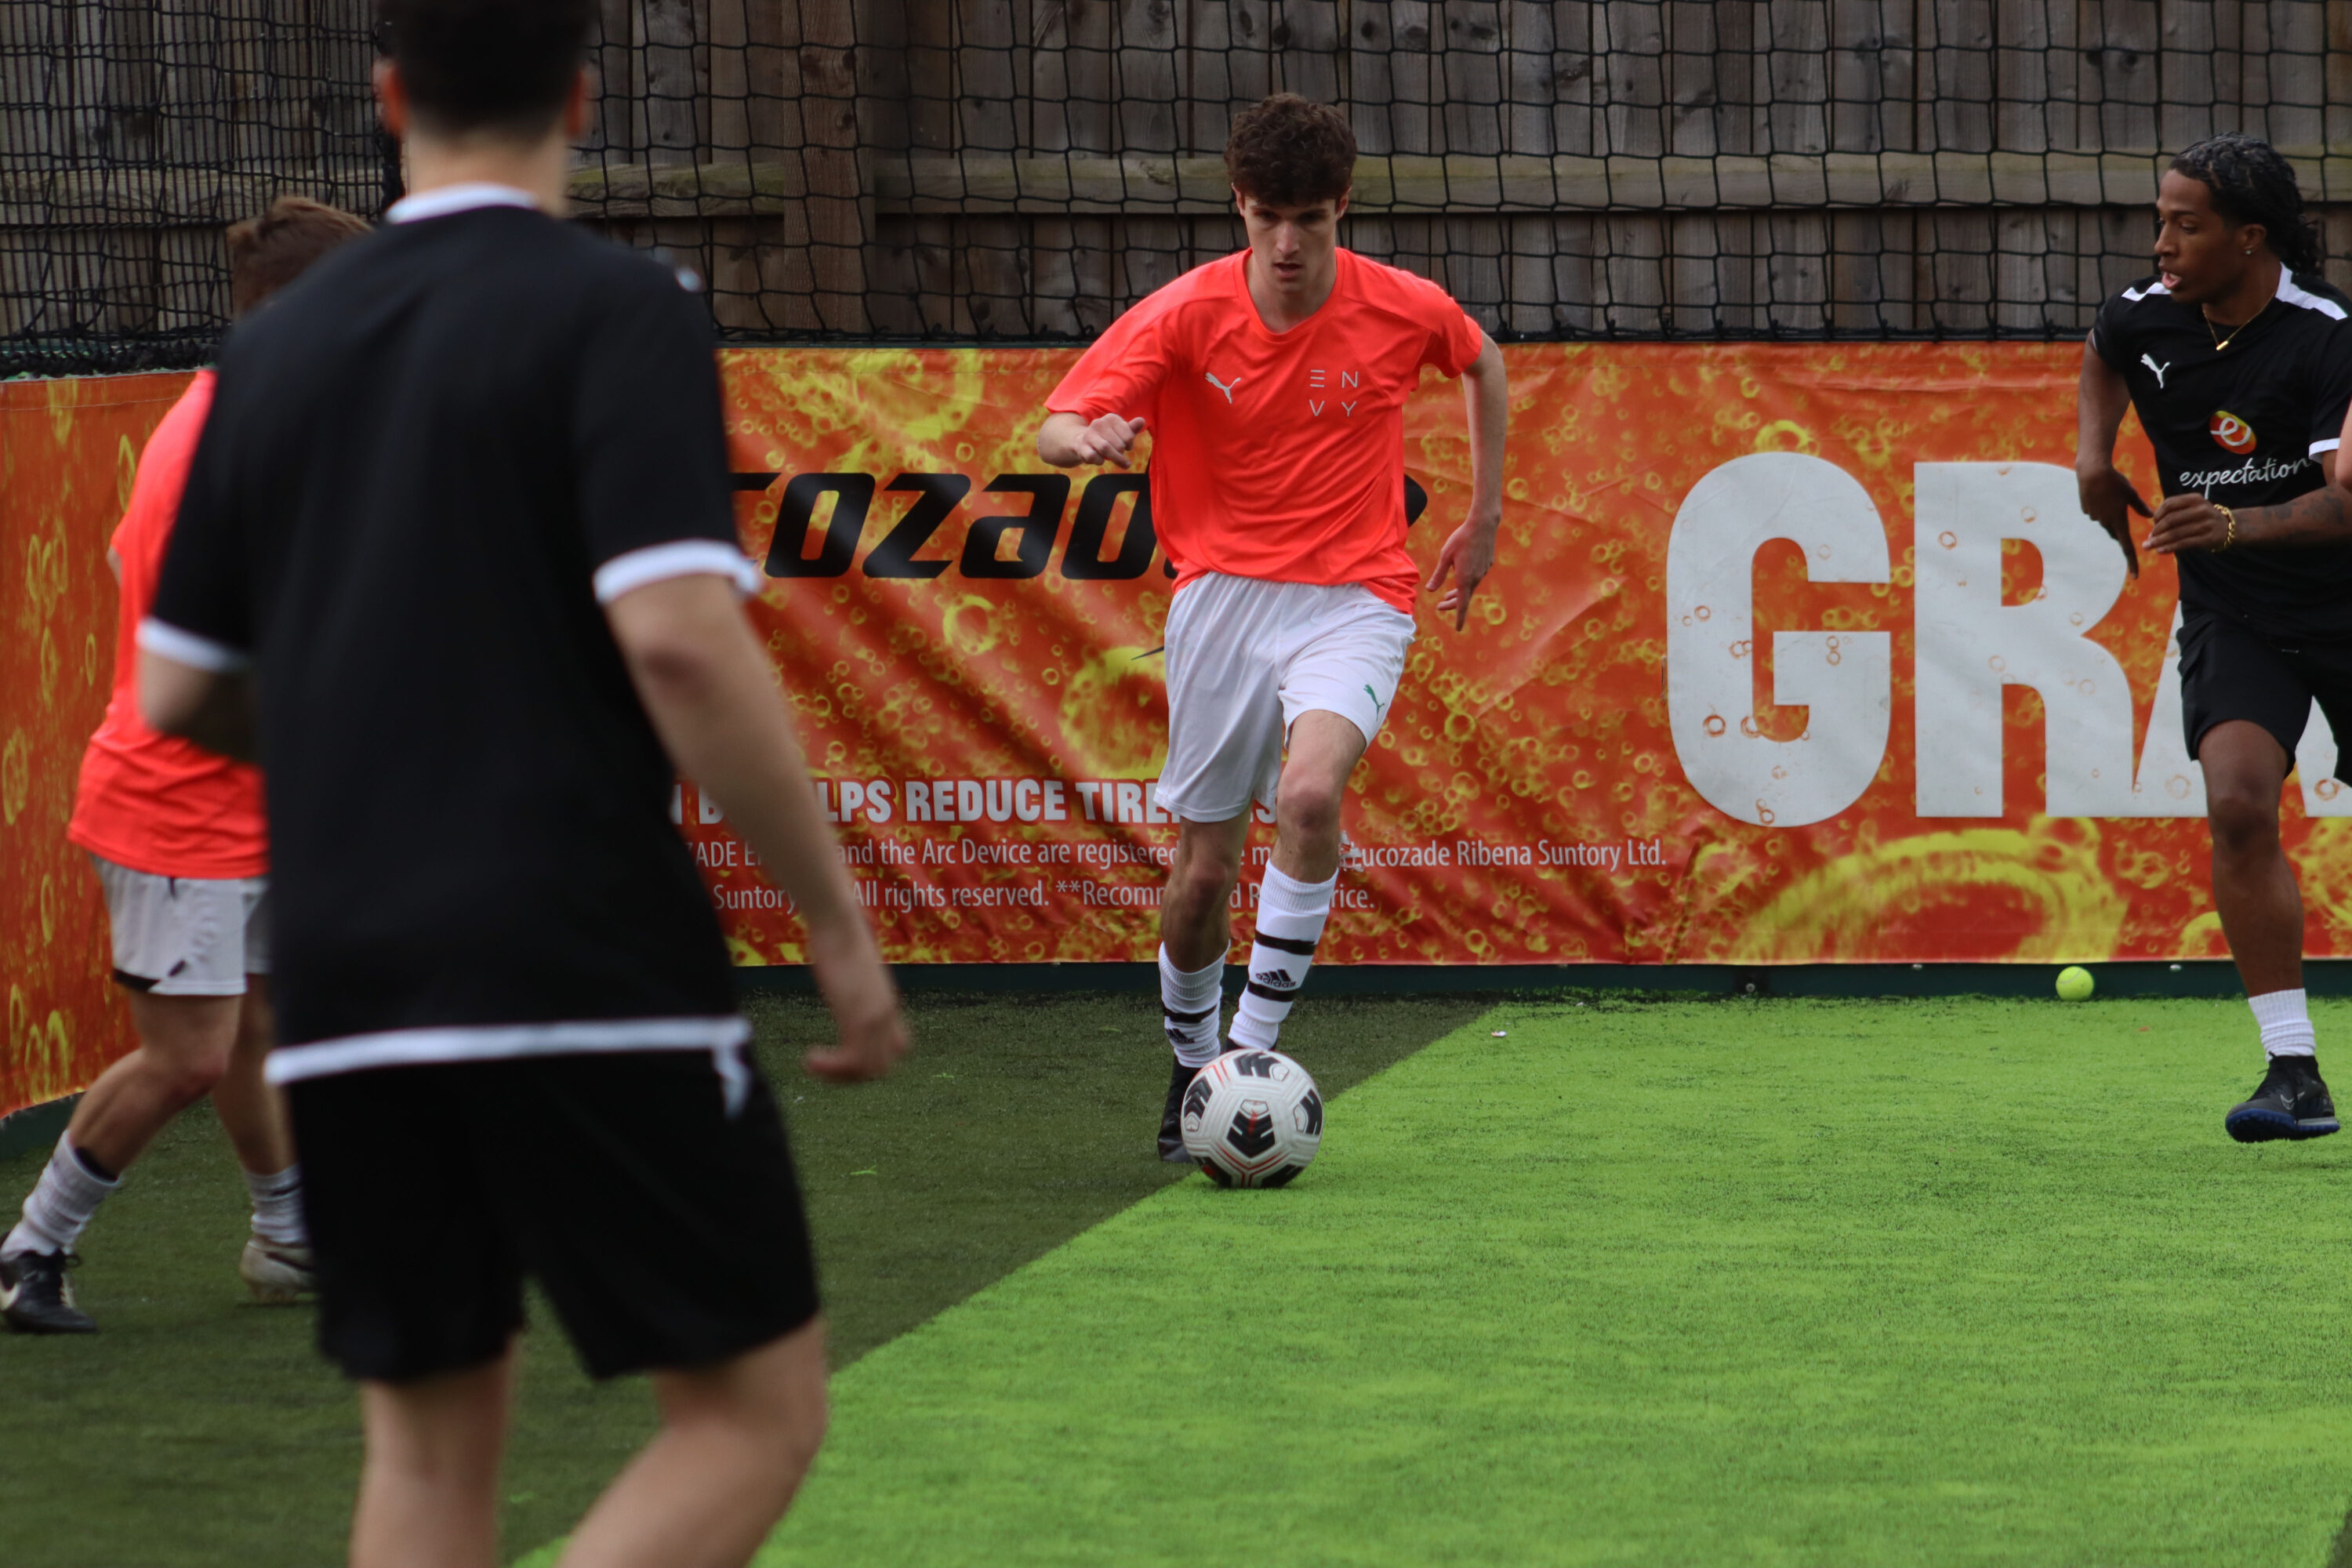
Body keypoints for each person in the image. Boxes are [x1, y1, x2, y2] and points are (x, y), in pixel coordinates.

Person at [134, 0, 909, 1562]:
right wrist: (834, 924)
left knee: (425, 1461)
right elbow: (681, 642)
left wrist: (381, 734)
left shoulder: (270, 350)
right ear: (581, 97)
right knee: (751, 1416)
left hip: (351, 971)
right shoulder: (619, 308)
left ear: (388, 96)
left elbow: (179, 688)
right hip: (578, 945)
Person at [1036, 93, 1508, 1161]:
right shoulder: (1184, 314)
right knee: (1203, 874)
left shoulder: (1402, 306)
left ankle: (1247, 1060)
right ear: (1239, 206)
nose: (1287, 244)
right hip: (1221, 600)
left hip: (1357, 598)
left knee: (1307, 795)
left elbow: (1482, 360)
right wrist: (1087, 440)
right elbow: (1055, 426)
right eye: (1267, 218)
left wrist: (1482, 518)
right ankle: (1190, 1060)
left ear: (1343, 207)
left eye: (1310, 219)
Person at [0, 197, 371, 1335]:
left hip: (238, 795)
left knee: (253, 1026)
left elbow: (141, 572)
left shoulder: (242, 419)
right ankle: (29, 1250)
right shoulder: (229, 447)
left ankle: (290, 1240)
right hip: (177, 806)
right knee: (190, 1056)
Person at [2077, 131, 2352, 1143]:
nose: (2162, 245)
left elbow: (2347, 502)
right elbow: (2105, 352)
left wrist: (2236, 524)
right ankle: (2293, 1071)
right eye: (2160, 223)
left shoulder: (2328, 335)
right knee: (2237, 804)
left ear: (2249, 238)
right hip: (2240, 612)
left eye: (2184, 227)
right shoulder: (2146, 312)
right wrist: (2093, 461)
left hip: (2344, 601)